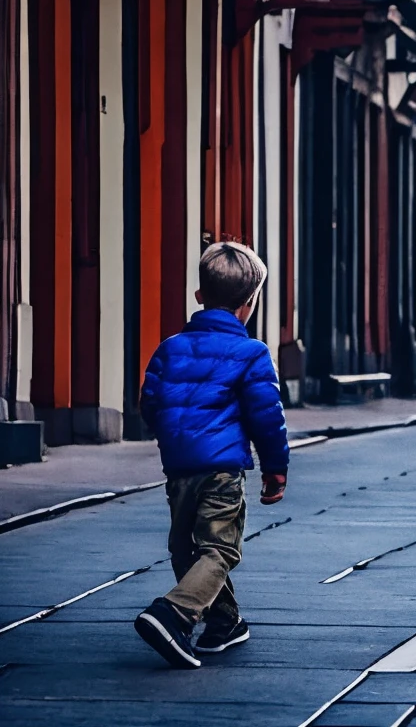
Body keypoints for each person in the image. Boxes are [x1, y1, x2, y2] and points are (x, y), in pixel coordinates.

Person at [135, 242, 290, 669]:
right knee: (220, 550)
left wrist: (176, 436)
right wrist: (275, 469)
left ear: (199, 296)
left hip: (180, 467)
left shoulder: (170, 347)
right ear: (249, 303)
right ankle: (175, 612)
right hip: (222, 469)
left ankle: (224, 623)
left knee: (186, 548)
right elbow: (266, 418)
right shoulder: (251, 353)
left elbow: (150, 404)